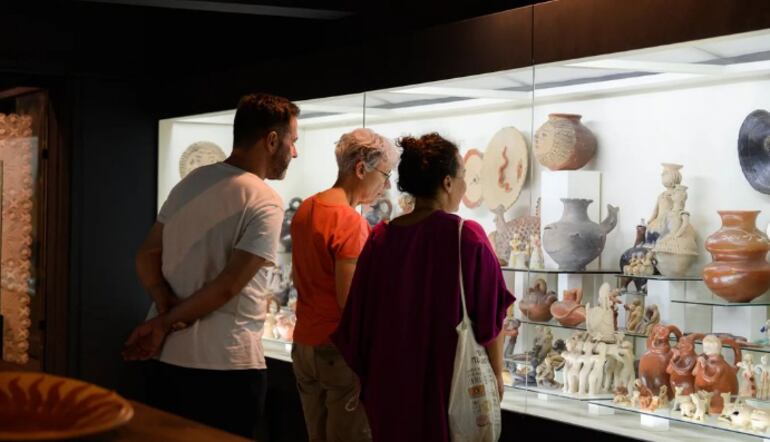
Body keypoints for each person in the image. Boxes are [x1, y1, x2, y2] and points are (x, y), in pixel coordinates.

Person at [122, 93, 300, 438]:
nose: (294, 152)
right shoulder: (265, 200)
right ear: (271, 140)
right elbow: (228, 285)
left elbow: (146, 254)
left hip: (167, 360)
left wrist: (163, 305)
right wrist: (165, 321)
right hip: (226, 365)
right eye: (292, 141)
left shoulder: (190, 183)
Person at [331, 132, 514, 441]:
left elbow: (357, 321)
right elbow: (490, 320)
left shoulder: (380, 239)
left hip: (389, 385)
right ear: (447, 183)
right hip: (447, 383)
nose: (465, 185)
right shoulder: (467, 237)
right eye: (463, 176)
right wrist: (496, 374)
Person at [290, 128, 398, 441]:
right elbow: (350, 303)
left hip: (304, 343)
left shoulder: (307, 208)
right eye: (384, 175)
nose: (386, 185)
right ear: (361, 169)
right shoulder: (350, 222)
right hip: (338, 350)